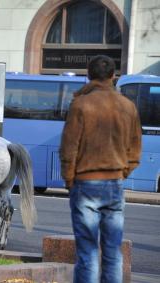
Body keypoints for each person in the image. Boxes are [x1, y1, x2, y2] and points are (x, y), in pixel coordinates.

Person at [60, 55, 142, 283]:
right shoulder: (127, 106)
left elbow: (69, 147)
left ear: (89, 74)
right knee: (113, 252)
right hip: (114, 183)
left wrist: (69, 180)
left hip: (86, 183)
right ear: (113, 76)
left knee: (87, 253)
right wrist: (122, 172)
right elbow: (135, 150)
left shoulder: (80, 104)